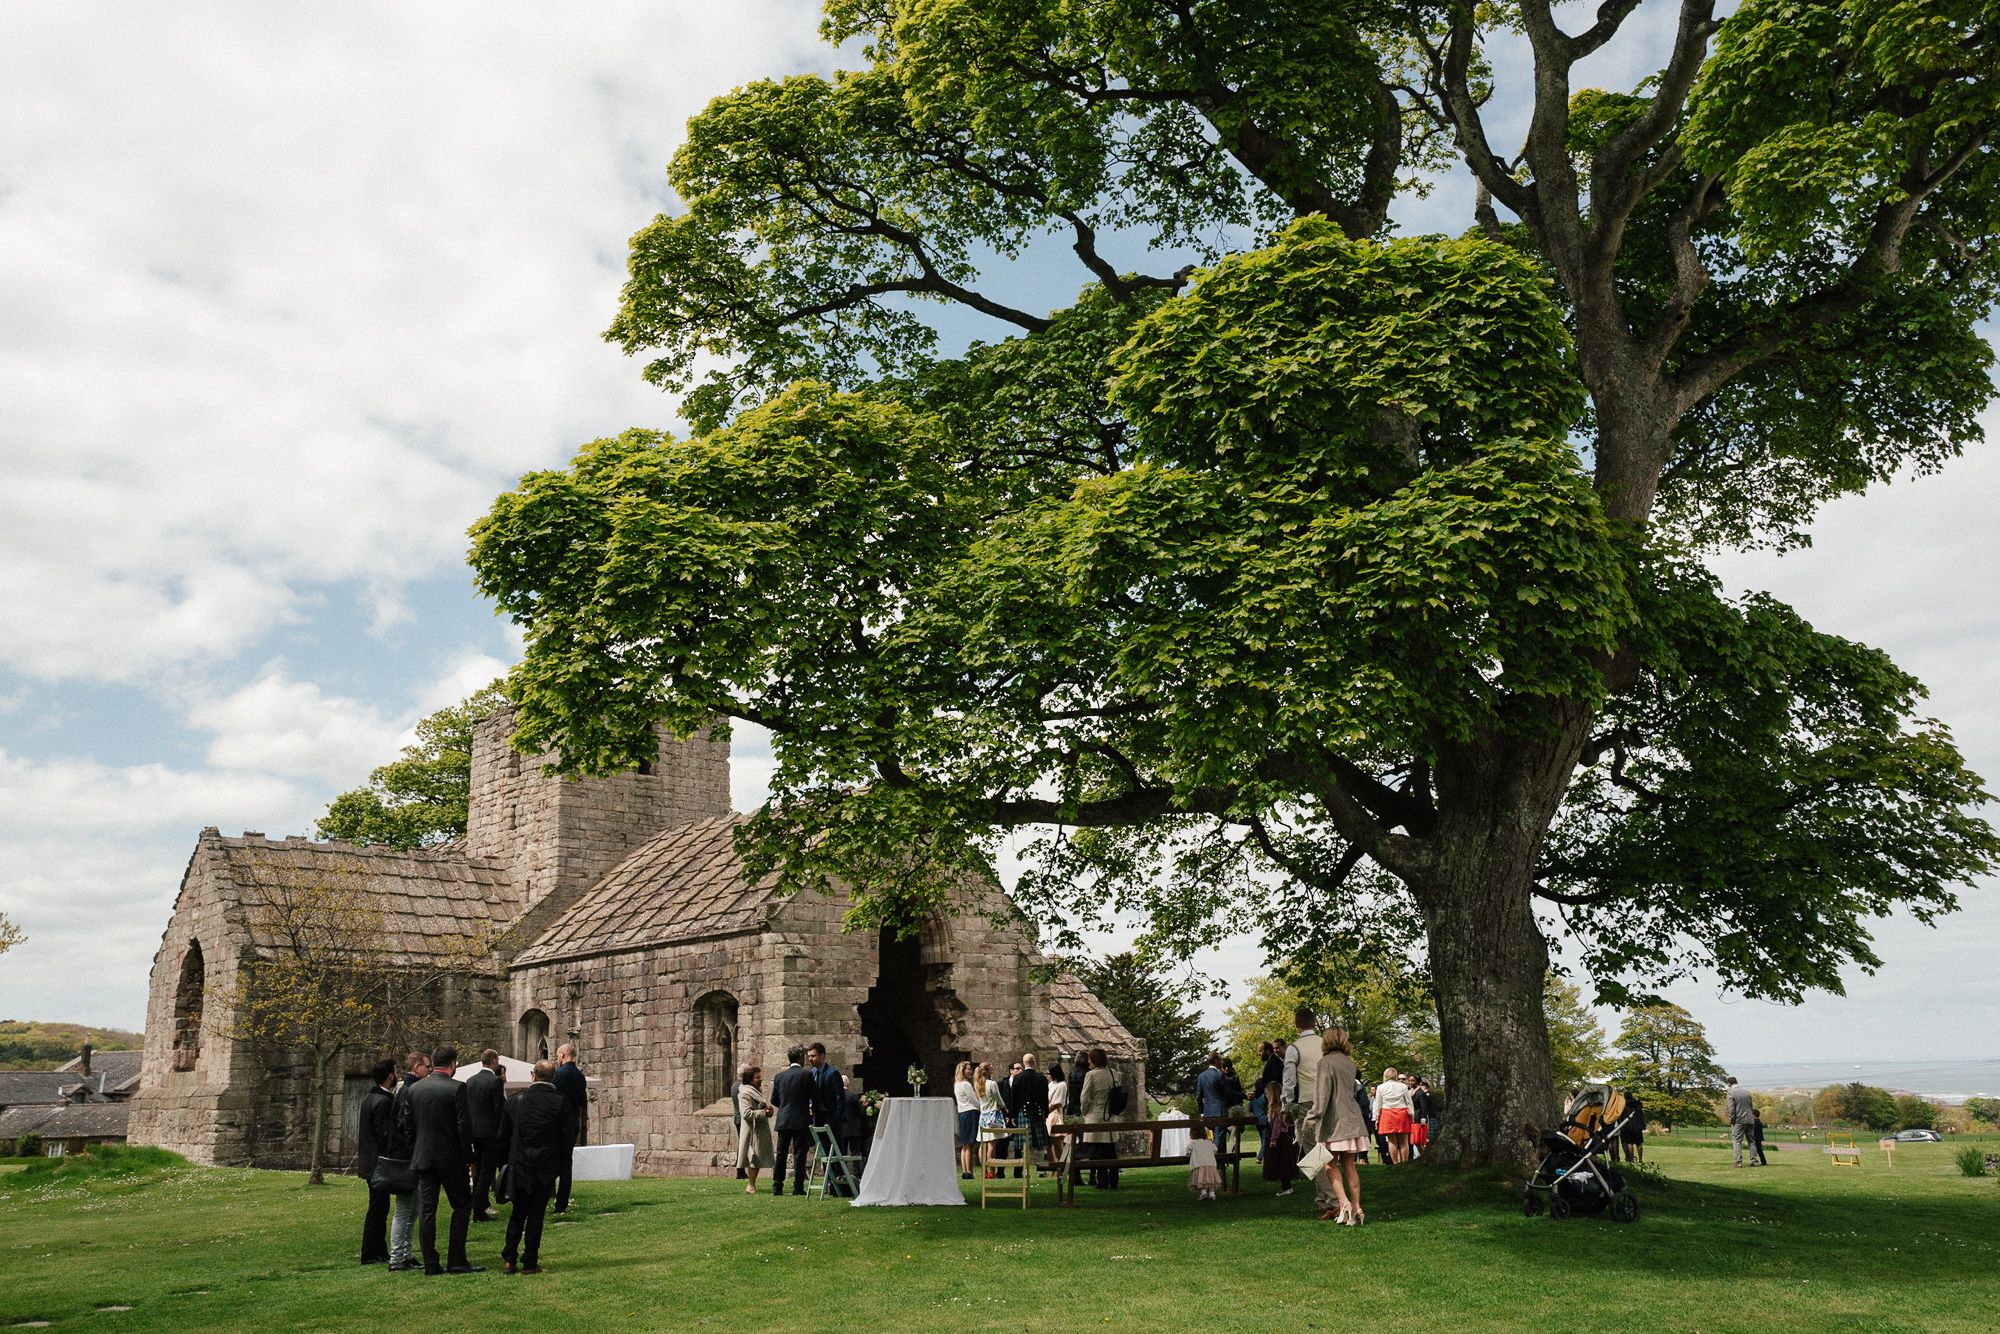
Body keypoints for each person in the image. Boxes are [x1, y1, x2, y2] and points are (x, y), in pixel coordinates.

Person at [407, 1044, 481, 1275]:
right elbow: (464, 1127)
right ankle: (456, 1260)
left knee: (427, 1210)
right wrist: (468, 1156)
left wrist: (416, 1149)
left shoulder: (415, 1089)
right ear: (452, 1064)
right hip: (450, 1158)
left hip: (424, 1157)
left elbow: (407, 1127)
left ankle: (430, 1262)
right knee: (462, 1205)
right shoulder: (457, 1088)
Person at [500, 1059, 570, 1275]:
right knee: (535, 1216)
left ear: (533, 1075)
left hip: (519, 1164)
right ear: (553, 1078)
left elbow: (502, 1136)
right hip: (545, 1166)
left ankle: (509, 1259)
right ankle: (530, 1261)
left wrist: (506, 1162)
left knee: (518, 1213)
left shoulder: (515, 1100)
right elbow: (567, 1141)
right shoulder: (560, 1102)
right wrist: (562, 1172)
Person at [1313, 1028, 1370, 1225]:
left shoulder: (1325, 1063)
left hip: (1334, 1122)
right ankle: (1357, 1206)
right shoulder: (1349, 1063)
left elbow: (1322, 1096)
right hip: (1353, 1119)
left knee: (1329, 1164)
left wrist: (1311, 1117)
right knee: (1350, 1164)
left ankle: (1343, 1203)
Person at [385, 1051, 429, 1271]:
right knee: (404, 1210)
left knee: (413, 1210)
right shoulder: (408, 1091)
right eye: (426, 1067)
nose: (429, 1071)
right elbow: (405, 1127)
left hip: (408, 1156)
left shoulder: (409, 1089)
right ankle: (397, 1257)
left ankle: (405, 1253)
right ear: (416, 1067)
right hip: (405, 1158)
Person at [354, 1057, 398, 1265]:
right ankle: (371, 1251)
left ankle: (377, 1250)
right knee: (378, 1209)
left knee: (379, 1208)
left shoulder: (370, 1099)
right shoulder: (383, 1102)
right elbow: (384, 1136)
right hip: (377, 1164)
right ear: (390, 1075)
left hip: (371, 1163)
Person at [465, 1049, 507, 1221]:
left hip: (474, 1133)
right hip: (490, 1133)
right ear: (494, 1061)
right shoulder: (495, 1081)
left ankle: (478, 1207)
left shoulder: (470, 1081)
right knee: (486, 1171)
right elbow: (499, 1111)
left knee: (479, 1170)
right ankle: (478, 1206)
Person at [770, 1046, 814, 1196]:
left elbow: (774, 1100)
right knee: (799, 1153)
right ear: (801, 1058)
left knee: (781, 1153)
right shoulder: (806, 1075)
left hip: (783, 1118)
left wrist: (785, 1106)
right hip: (800, 1118)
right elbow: (814, 1095)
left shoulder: (779, 1076)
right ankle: (797, 1187)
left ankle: (777, 1186)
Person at [551, 1043, 588, 1213]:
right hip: (572, 1123)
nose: (557, 1058)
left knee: (549, 1159)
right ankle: (561, 1203)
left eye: (558, 1055)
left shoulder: (557, 1074)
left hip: (556, 1123)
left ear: (564, 1054)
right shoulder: (580, 1076)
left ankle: (547, 1195)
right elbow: (582, 1101)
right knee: (566, 1164)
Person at [1079, 1047, 1117, 1189]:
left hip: (1095, 1114)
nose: (1088, 1061)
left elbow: (1085, 1097)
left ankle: (1102, 1181)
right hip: (1110, 1115)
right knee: (1111, 1150)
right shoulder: (1113, 1073)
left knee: (1099, 1151)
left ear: (1094, 1060)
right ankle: (1114, 1179)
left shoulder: (1091, 1075)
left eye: (1090, 1059)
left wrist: (1084, 1112)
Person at [1281, 1007, 1323, 1135]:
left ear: (1296, 1025)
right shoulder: (1325, 1044)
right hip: (1328, 1098)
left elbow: (1289, 1081)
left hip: (1307, 1100)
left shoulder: (1293, 1048)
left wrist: (1287, 1107)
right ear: (1314, 1023)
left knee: (1308, 1143)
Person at [735, 1064, 773, 1194]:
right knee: (753, 1159)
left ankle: (751, 1185)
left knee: (756, 1159)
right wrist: (764, 1113)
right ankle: (750, 1186)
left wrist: (767, 1111)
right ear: (750, 1079)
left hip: (758, 1129)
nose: (760, 1079)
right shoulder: (745, 1094)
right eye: (757, 1077)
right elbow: (746, 1114)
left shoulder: (755, 1092)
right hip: (752, 1132)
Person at [1013, 1053, 1052, 1171]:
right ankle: (1042, 1168)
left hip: (1022, 1113)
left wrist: (1013, 1116)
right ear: (1034, 1063)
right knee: (1040, 1143)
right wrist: (1045, 1112)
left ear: (1024, 1064)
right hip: (1039, 1112)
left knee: (1026, 1143)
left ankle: (1026, 1169)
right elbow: (1045, 1098)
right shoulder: (1042, 1078)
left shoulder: (1017, 1078)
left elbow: (1014, 1099)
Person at [1262, 1082, 1300, 1196]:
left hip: (1280, 1139)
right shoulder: (1284, 1107)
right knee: (1286, 1163)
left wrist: (1273, 1140)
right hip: (1286, 1137)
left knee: (1282, 1163)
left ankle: (1286, 1187)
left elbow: (1277, 1126)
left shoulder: (1275, 1109)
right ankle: (1286, 1186)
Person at [805, 1041, 843, 1152]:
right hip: (817, 1117)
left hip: (830, 1117)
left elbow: (839, 1097)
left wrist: (837, 1118)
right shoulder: (811, 1072)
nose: (810, 1059)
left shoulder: (833, 1073)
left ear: (822, 1056)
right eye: (809, 1057)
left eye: (813, 1056)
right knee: (823, 1151)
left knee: (835, 1151)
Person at [975, 1061, 1009, 1175]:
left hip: (983, 1116)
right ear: (987, 1071)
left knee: (982, 1143)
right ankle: (991, 1171)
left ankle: (984, 1171)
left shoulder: (978, 1084)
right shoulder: (991, 1084)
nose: (993, 1070)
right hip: (993, 1115)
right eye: (991, 1069)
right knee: (992, 1144)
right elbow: (999, 1100)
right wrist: (1005, 1110)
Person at [1375, 1068, 1414, 1164]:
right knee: (1404, 1140)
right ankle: (1404, 1163)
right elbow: (1408, 1101)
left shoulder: (1380, 1087)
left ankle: (1395, 1163)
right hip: (1402, 1112)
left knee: (1391, 1140)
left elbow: (1378, 1104)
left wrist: (1377, 1117)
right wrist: (1412, 1114)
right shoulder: (1403, 1086)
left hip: (1387, 1112)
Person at [1253, 1041, 1281, 1162]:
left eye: (1261, 1051)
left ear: (1268, 1050)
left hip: (1275, 1102)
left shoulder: (1274, 1063)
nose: (1259, 1054)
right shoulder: (1273, 1062)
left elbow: (1271, 1083)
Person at [1195, 1052, 1230, 1146]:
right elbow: (1228, 1093)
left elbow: (1198, 1097)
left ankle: (1214, 1159)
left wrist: (1202, 1112)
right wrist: (1243, 1096)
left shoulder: (1201, 1076)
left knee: (1212, 1138)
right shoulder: (1219, 1075)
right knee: (1219, 1139)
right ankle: (1218, 1160)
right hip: (1220, 1112)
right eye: (1220, 1060)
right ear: (1216, 1061)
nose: (1222, 1062)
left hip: (1207, 1113)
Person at [952, 1059, 979, 1179]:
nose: (970, 1071)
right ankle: (969, 1171)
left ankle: (965, 1170)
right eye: (968, 1069)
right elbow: (974, 1101)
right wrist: (981, 1107)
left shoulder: (956, 1084)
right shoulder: (966, 1084)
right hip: (970, 1113)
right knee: (969, 1144)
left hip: (962, 1113)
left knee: (964, 1144)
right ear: (962, 1071)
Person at [1187, 1122, 1222, 1201]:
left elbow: (1188, 1151)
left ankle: (1203, 1192)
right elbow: (1215, 1149)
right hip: (1210, 1164)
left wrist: (1189, 1154)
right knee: (1210, 1179)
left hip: (1199, 1164)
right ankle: (1212, 1193)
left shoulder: (1193, 1143)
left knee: (1201, 1179)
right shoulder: (1209, 1142)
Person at [1726, 1076, 1755, 1167]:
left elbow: (1731, 1109)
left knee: (1737, 1141)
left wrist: (1731, 1120)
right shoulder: (1747, 1092)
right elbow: (1751, 1107)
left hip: (1739, 1120)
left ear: (1729, 1084)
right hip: (1750, 1119)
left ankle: (1738, 1162)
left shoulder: (1731, 1092)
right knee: (1751, 1141)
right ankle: (1754, 1161)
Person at [1407, 1075, 1431, 1158]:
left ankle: (1425, 1157)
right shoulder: (1409, 1092)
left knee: (1418, 1141)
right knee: (1415, 1141)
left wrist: (1423, 1118)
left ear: (1417, 1081)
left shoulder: (1420, 1093)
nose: (1410, 1082)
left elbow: (1423, 1106)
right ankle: (1424, 1157)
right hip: (1411, 1119)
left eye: (1413, 1081)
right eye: (1409, 1080)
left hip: (1419, 1119)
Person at [1620, 1092, 1647, 1164]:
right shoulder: (1638, 1105)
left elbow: (1622, 1117)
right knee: (1639, 1143)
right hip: (1638, 1127)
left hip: (1628, 1127)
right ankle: (1640, 1159)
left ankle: (1631, 1159)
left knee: (1630, 1143)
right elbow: (1642, 1116)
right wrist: (1643, 1125)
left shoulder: (1624, 1106)